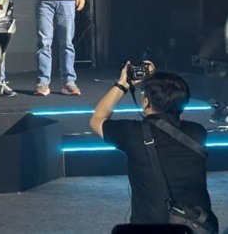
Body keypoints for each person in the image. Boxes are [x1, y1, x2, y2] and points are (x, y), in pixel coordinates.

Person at [91, 62, 218, 231]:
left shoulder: (131, 133)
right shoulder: (198, 132)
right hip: (196, 225)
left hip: (148, 227)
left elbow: (98, 119)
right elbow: (177, 119)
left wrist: (122, 84)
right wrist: (163, 84)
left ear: (145, 102)